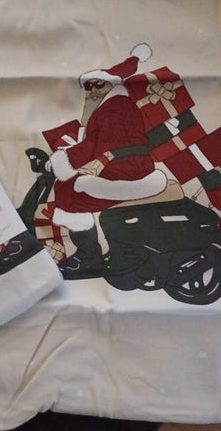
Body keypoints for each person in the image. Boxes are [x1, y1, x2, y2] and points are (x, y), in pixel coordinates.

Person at [48, 44, 167, 277]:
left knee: (70, 192)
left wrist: (65, 160)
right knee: (68, 186)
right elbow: (97, 142)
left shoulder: (115, 107)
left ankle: (89, 258)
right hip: (125, 163)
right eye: (88, 86)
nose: (93, 90)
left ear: (112, 84)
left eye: (99, 84)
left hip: (129, 167)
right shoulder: (108, 108)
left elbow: (103, 144)